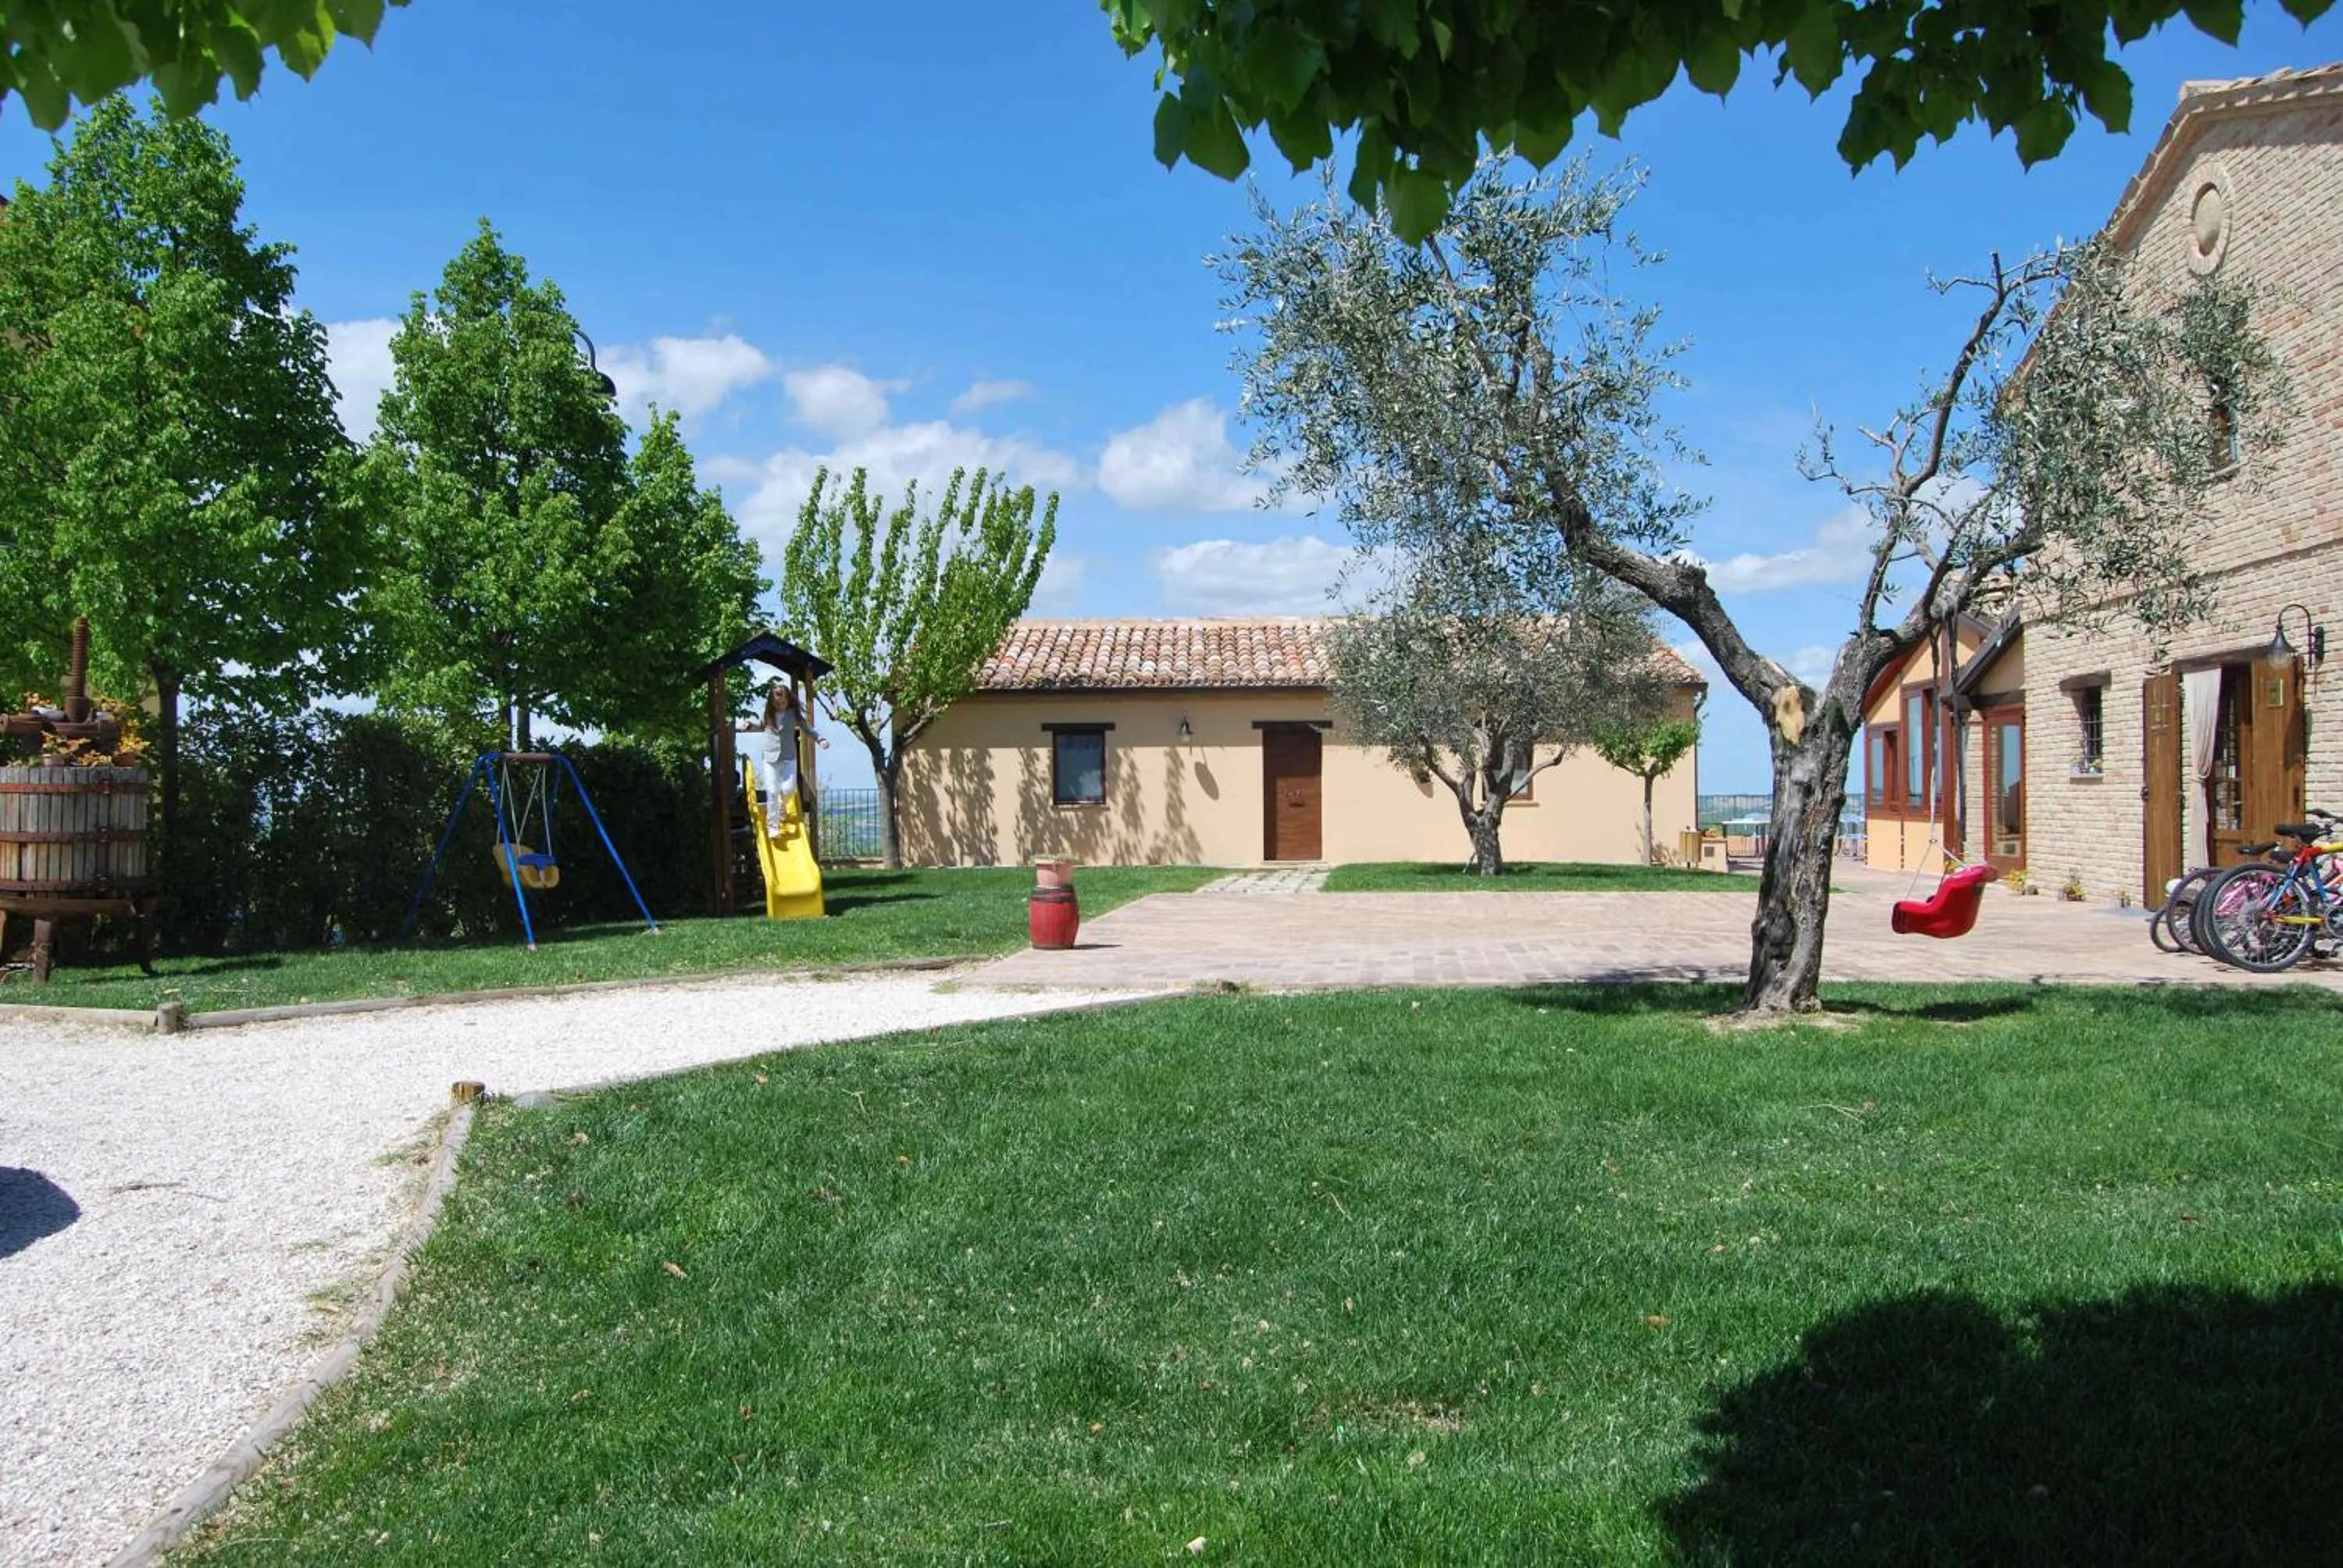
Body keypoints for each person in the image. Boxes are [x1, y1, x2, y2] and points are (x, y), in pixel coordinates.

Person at [756, 680, 818, 838]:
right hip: (770, 756)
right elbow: (760, 725)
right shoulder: (767, 712)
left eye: (783, 703)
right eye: (777, 704)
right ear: (772, 703)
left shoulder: (793, 713)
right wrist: (749, 725)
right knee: (772, 791)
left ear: (788, 700)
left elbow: (806, 728)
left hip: (789, 756)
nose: (780, 706)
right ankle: (773, 827)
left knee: (788, 789)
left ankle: (782, 806)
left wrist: (820, 738)